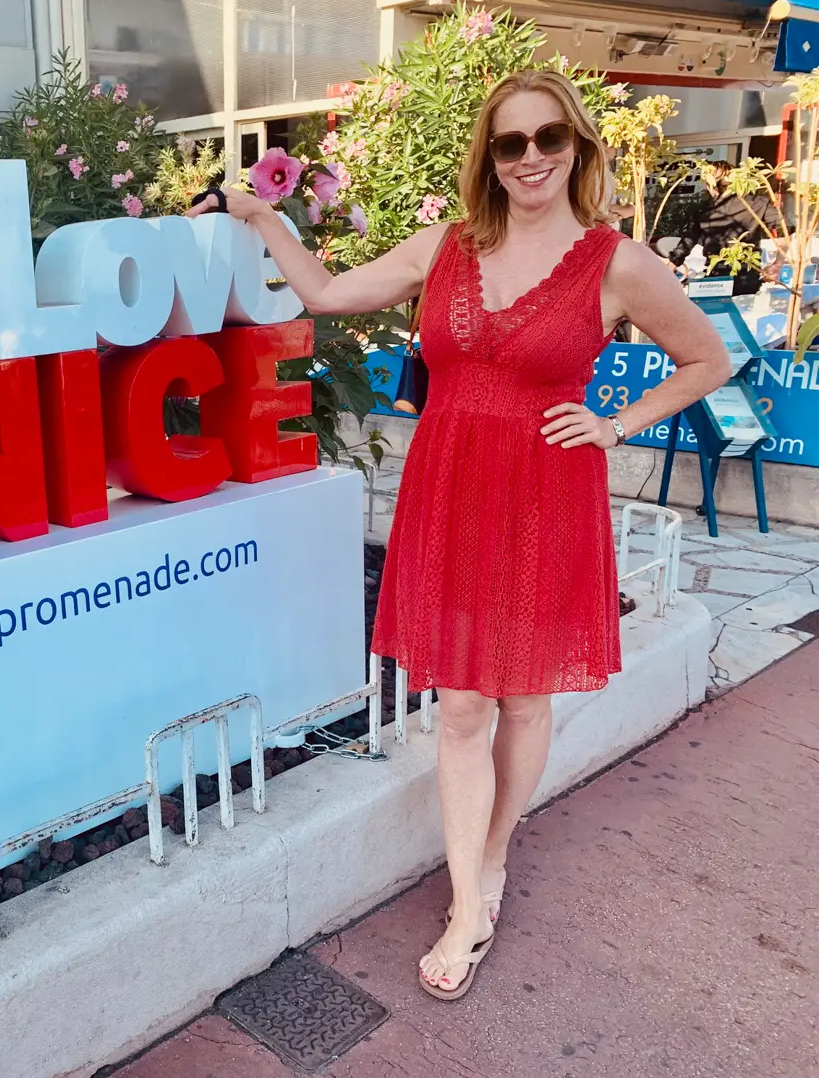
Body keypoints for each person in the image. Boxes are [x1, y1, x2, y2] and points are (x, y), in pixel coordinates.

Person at [188, 69, 728, 1000]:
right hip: (450, 488)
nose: (530, 159)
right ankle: (466, 902)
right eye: (510, 143)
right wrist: (256, 214)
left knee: (523, 700)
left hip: (546, 494)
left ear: (578, 146)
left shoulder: (616, 263)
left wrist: (615, 423)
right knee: (465, 704)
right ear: (490, 156)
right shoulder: (444, 246)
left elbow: (708, 358)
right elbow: (321, 293)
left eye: (547, 139)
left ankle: (494, 859)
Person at [668, 160, 784, 294]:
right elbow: (784, 231)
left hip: (716, 277)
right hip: (748, 277)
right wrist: (778, 263)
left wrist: (670, 266)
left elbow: (687, 242)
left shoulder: (706, 210)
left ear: (712, 184)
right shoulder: (758, 203)